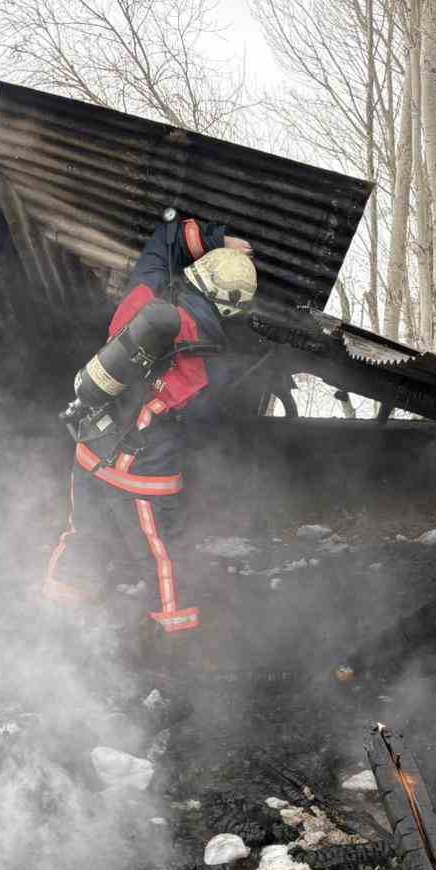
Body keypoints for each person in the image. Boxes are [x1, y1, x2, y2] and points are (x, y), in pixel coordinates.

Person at [44, 214, 257, 656]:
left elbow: (166, 239)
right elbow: (203, 427)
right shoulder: (209, 360)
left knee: (83, 535)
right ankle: (176, 647)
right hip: (143, 476)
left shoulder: (143, 295)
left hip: (89, 450)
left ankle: (58, 623)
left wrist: (217, 240)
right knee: (165, 556)